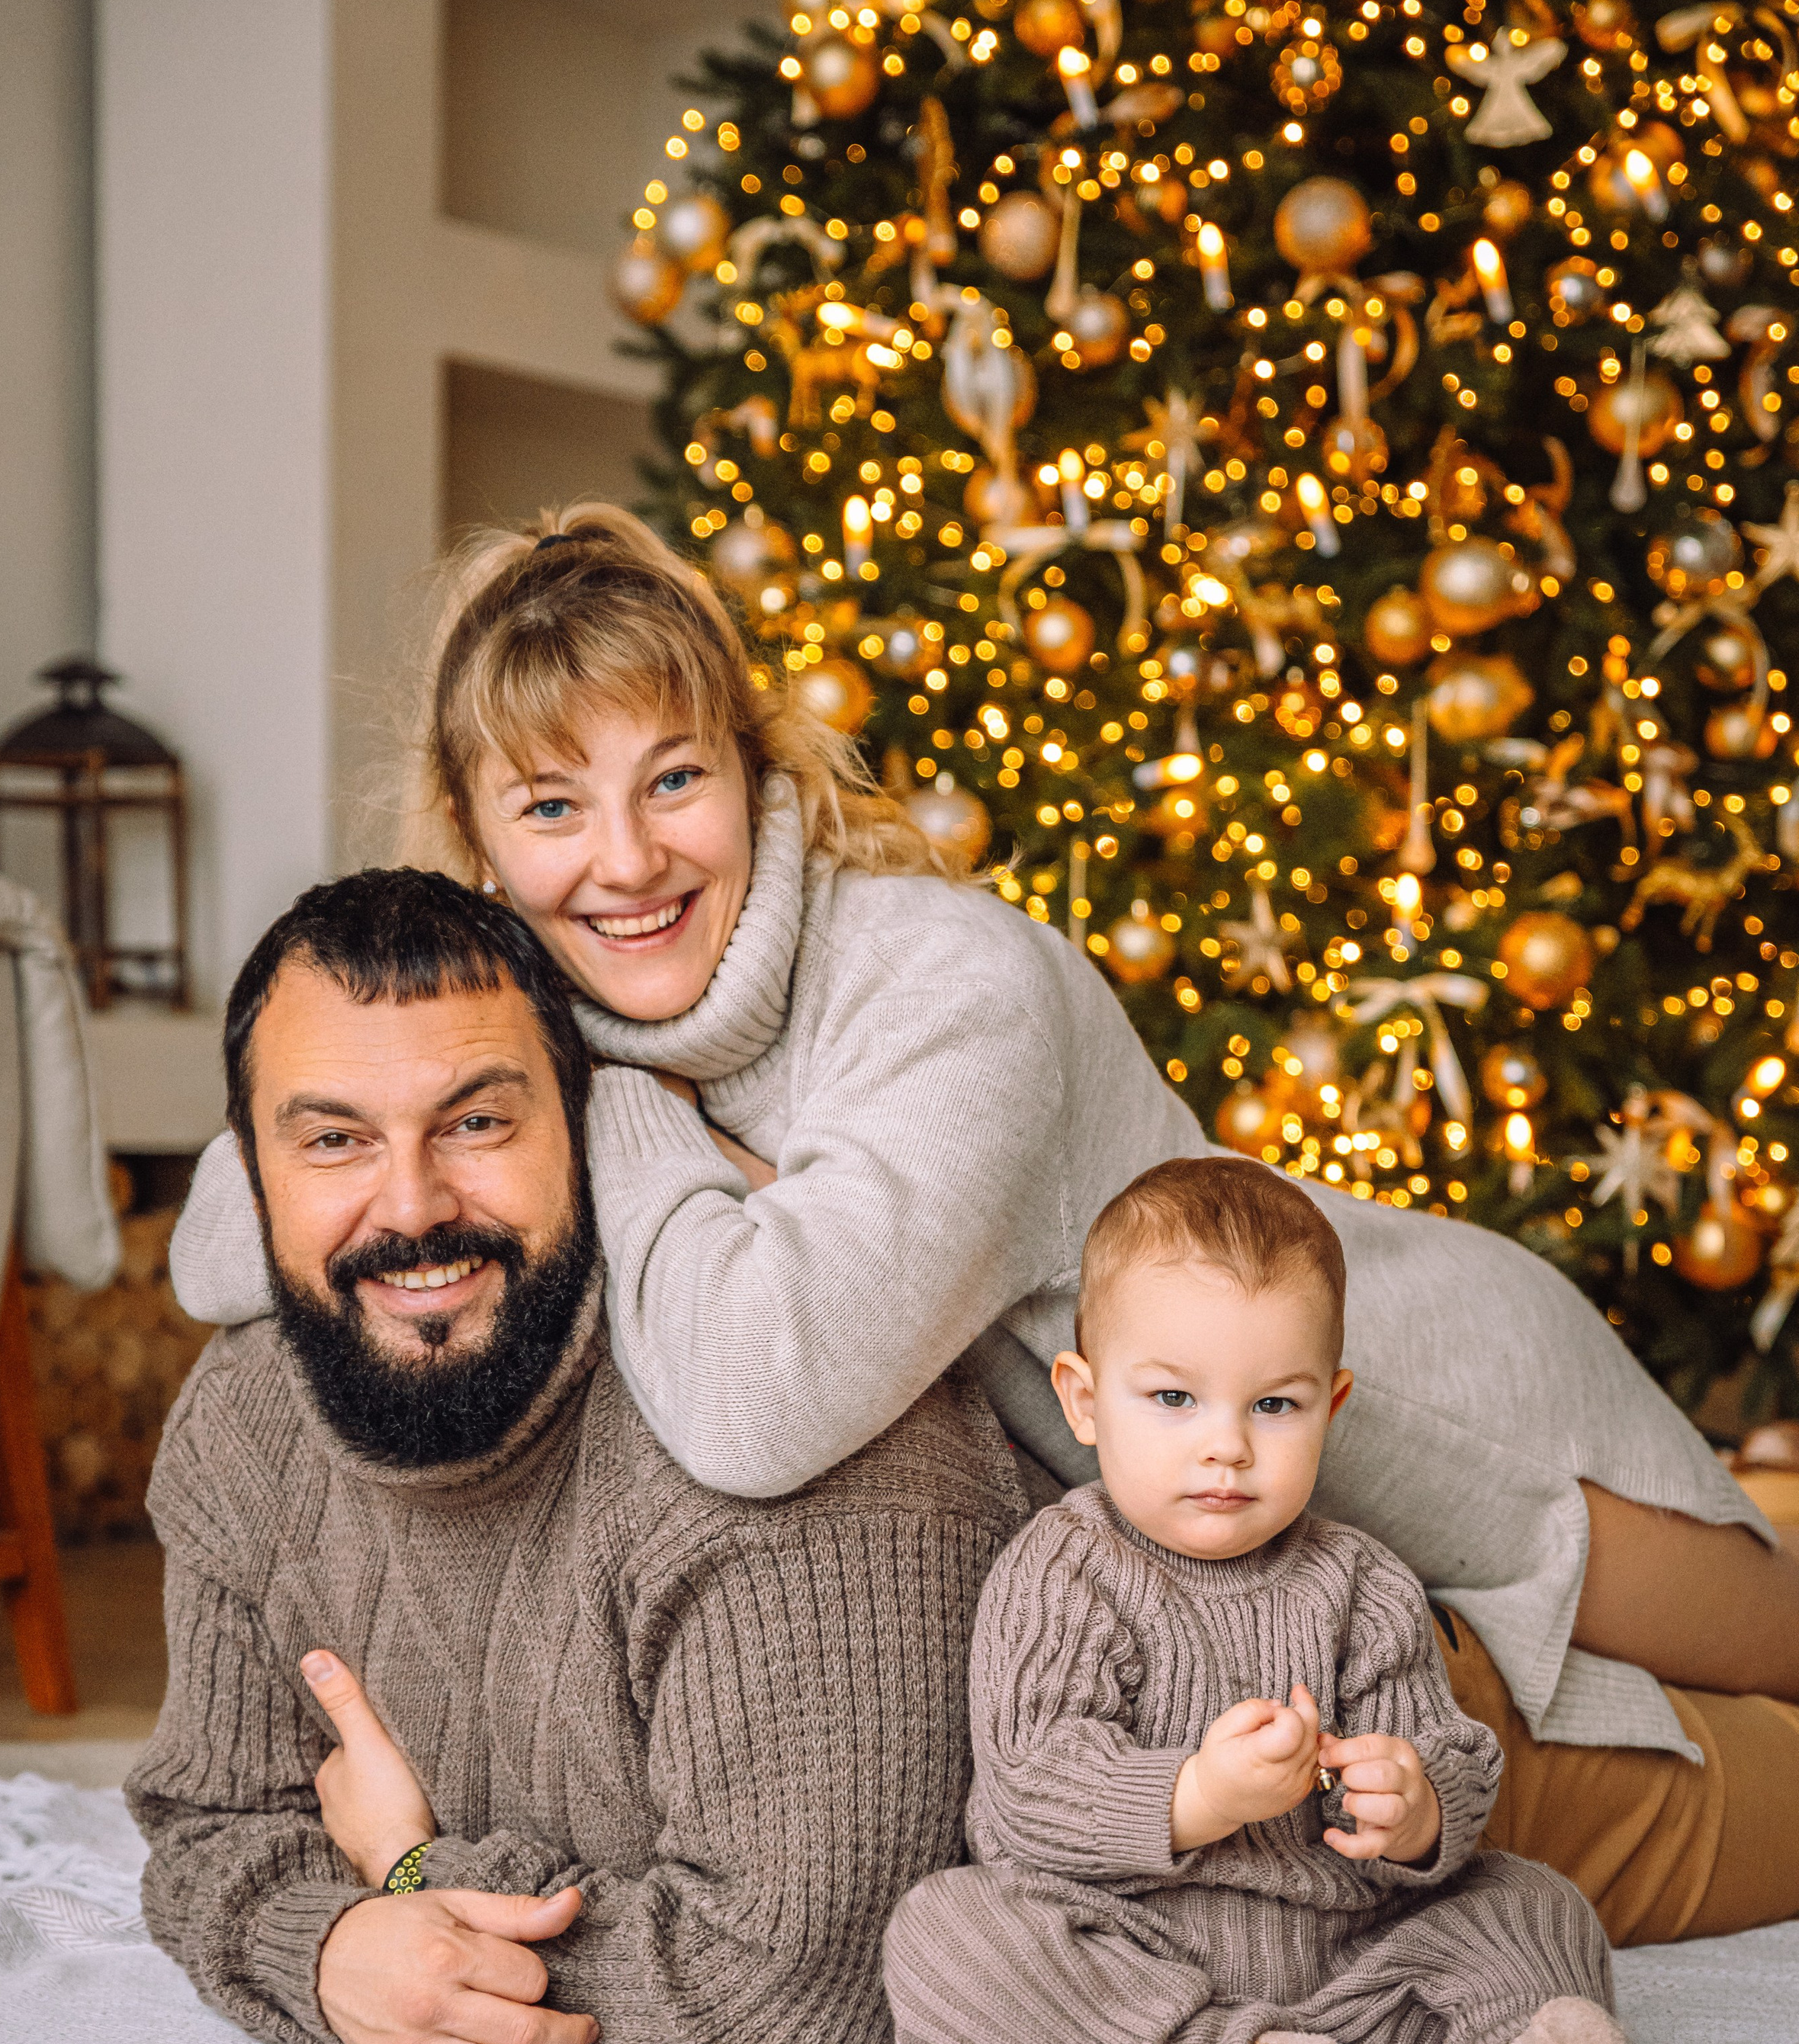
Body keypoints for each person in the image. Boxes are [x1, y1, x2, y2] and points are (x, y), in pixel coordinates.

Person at [169, 505, 1799, 1945]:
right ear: (473, 841)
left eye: (674, 779)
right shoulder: (550, 1022)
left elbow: (753, 1403)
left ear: (752, 768)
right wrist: (520, 1068)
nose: (627, 859)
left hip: (1424, 1404)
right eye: (550, 809)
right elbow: (237, 1236)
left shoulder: (945, 986)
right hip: (1228, 1536)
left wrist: (608, 1100)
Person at [128, 866, 1021, 2044]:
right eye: (334, 1139)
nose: (414, 1208)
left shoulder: (770, 1428)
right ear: (253, 1174)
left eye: (479, 1123)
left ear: (584, 1125)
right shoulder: (245, 1423)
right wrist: (330, 1950)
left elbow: (794, 1988)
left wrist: (407, 1882)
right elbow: (207, 1825)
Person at [884, 1159, 1631, 2044]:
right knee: (945, 1945)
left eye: (1274, 1407)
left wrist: (1412, 1809)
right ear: (1086, 1401)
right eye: (1175, 1399)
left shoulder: (1361, 1581)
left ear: (1332, 1404)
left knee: (1536, 1904)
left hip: (1356, 1968)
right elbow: (1023, 1797)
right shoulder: (1064, 1570)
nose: (1226, 1446)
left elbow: (1443, 1751)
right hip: (1132, 1957)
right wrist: (1196, 1792)